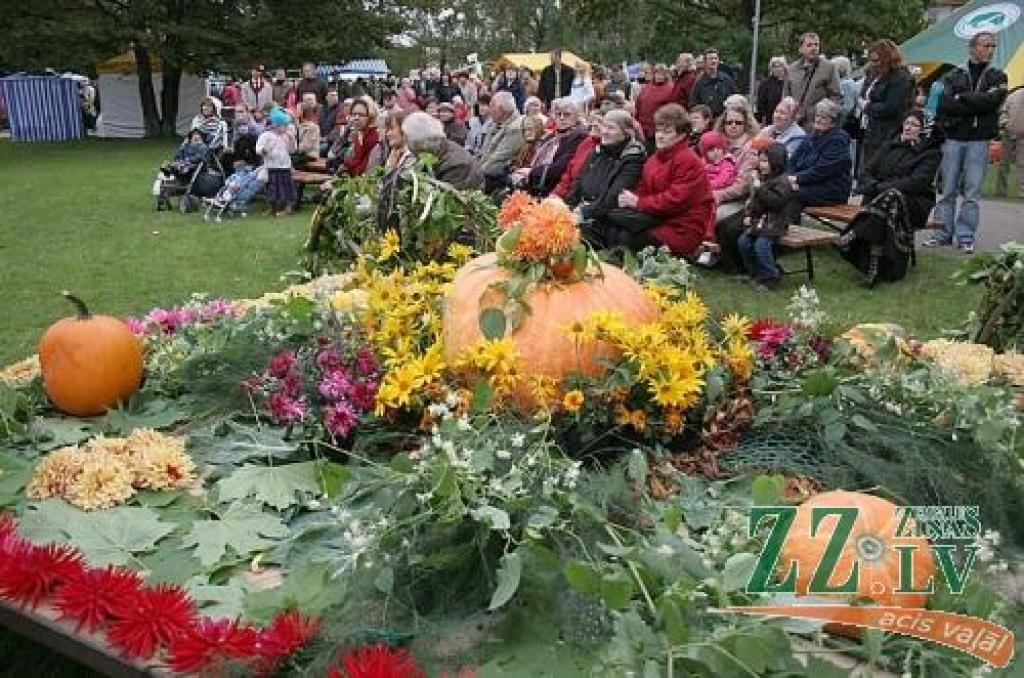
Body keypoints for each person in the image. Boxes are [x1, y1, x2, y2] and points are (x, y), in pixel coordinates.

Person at [598, 103, 716, 256]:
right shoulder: (655, 158)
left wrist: (638, 202)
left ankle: (627, 272)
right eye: (659, 130)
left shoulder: (688, 161)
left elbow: (675, 200)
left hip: (682, 226)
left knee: (627, 238)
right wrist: (631, 199)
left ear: (681, 135)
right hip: (657, 217)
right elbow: (643, 188)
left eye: (667, 132)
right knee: (613, 229)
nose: (660, 135)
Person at [927, 31, 1008, 252]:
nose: (990, 50)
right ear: (972, 48)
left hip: (979, 140)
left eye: (993, 46)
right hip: (953, 138)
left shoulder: (998, 76)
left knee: (972, 193)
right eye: (985, 45)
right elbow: (944, 105)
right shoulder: (953, 75)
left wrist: (962, 97)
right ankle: (942, 233)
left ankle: (965, 237)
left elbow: (991, 102)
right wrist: (975, 103)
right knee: (947, 189)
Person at [839, 111, 942, 285]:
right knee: (884, 208)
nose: (909, 127)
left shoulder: (930, 154)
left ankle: (856, 232)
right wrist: (873, 186)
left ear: (924, 129)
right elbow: (866, 170)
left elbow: (915, 183)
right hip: (879, 202)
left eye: (915, 124)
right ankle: (873, 271)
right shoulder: (890, 145)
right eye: (907, 123)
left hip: (912, 203)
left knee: (892, 196)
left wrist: (878, 188)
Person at [566, 109, 646, 239]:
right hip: (582, 211)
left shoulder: (632, 158)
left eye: (611, 128)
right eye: (604, 125)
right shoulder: (597, 151)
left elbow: (613, 197)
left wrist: (583, 212)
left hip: (602, 221)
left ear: (626, 133)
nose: (604, 131)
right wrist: (567, 205)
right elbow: (579, 181)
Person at [737, 142, 797, 291]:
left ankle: (771, 276)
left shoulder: (783, 181)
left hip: (775, 222)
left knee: (761, 245)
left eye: (765, 161)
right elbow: (755, 202)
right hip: (760, 221)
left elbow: (776, 202)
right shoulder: (764, 178)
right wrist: (749, 213)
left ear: (775, 161)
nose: (761, 164)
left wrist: (759, 188)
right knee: (744, 242)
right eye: (761, 160)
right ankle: (754, 273)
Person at [786, 99, 853, 221]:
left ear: (833, 121)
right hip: (808, 183)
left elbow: (822, 170)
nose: (818, 120)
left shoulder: (838, 139)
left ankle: (788, 230)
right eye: (817, 116)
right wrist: (789, 176)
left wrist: (797, 179)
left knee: (791, 194)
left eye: (824, 117)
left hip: (831, 189)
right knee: (779, 189)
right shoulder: (811, 136)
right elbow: (793, 161)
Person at [511, 98, 587, 197]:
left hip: (554, 187)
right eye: (558, 114)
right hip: (538, 181)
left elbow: (560, 168)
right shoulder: (552, 136)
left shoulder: (579, 137)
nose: (562, 118)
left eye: (567, 114)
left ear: (577, 117)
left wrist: (531, 172)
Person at [859, 40, 911, 171]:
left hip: (887, 133)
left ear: (887, 59)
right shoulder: (872, 75)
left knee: (879, 171)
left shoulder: (900, 78)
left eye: (876, 60)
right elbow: (863, 95)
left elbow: (892, 107)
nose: (873, 64)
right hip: (869, 130)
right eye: (871, 60)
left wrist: (867, 107)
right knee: (866, 171)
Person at [402, 111, 483, 189]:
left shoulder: (456, 165)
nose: (406, 143)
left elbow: (449, 198)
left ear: (420, 144)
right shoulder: (434, 151)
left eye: (407, 139)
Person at [783, 32, 842, 129]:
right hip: (795, 124)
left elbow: (836, 96)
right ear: (801, 49)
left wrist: (823, 112)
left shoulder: (828, 67)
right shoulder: (791, 70)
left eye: (816, 45)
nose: (813, 48)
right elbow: (785, 97)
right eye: (809, 45)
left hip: (818, 124)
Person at [478, 91, 525, 191]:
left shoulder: (515, 128)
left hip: (499, 177)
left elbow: (498, 159)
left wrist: (475, 174)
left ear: (502, 110)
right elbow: (483, 153)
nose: (489, 111)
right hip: (486, 171)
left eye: (491, 107)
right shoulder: (495, 123)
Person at [256, 107, 297, 216]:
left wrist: (292, 140)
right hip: (271, 166)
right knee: (272, 188)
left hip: (285, 166)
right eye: (285, 125)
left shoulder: (286, 136)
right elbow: (259, 149)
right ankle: (272, 208)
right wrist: (264, 150)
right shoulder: (266, 135)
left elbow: (292, 150)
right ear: (276, 125)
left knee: (287, 187)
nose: (287, 128)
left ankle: (288, 208)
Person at [553, 112, 602, 198]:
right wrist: (557, 193)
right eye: (594, 120)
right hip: (567, 194)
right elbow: (569, 170)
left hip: (580, 200)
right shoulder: (587, 142)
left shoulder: (605, 149)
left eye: (600, 121)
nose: (594, 124)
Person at [635, 64, 679, 153]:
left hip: (659, 128)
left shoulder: (671, 88)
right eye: (657, 73)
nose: (659, 76)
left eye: (662, 74)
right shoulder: (646, 88)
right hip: (643, 128)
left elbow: (673, 108)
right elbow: (638, 104)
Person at [691, 47, 737, 118]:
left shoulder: (727, 80)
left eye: (715, 58)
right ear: (705, 62)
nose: (713, 61)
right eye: (710, 59)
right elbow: (693, 104)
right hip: (707, 122)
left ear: (718, 61)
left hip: (724, 120)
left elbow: (735, 100)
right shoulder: (699, 83)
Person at [342, 97, 380, 177]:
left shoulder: (374, 139)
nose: (356, 118)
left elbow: (368, 171)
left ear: (370, 117)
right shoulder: (357, 136)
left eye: (361, 115)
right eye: (354, 114)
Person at [997, 85, 1024, 198]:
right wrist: (1005, 124)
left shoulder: (1013, 95)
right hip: (1009, 133)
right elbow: (1003, 112)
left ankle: (1022, 192)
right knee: (1004, 163)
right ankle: (1000, 191)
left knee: (1022, 165)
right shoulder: (1013, 96)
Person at [756, 57, 787, 125]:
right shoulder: (765, 84)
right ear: (771, 68)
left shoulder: (787, 82)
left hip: (785, 118)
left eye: (780, 66)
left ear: (784, 67)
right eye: (774, 66)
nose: (777, 69)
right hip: (769, 119)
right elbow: (760, 103)